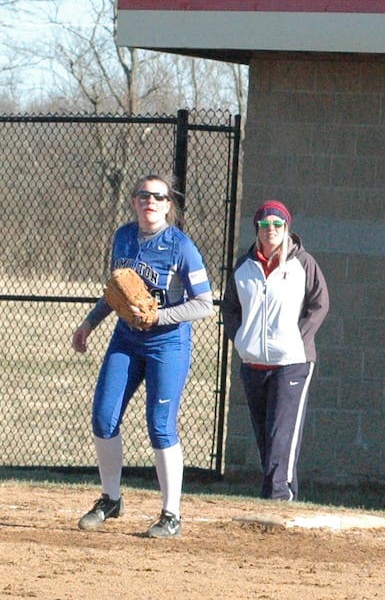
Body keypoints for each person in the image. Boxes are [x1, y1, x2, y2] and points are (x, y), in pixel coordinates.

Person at [72, 174, 213, 538]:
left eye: (159, 197)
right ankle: (111, 499)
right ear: (134, 202)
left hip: (168, 343)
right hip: (126, 339)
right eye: (143, 195)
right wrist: (90, 323)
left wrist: (159, 317)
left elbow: (203, 304)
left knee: (160, 424)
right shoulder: (122, 237)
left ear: (168, 205)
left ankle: (171, 515)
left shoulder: (181, 246)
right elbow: (118, 292)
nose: (150, 201)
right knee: (104, 417)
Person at [221, 200, 330, 501]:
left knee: (282, 433)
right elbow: (230, 308)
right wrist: (241, 338)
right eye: (265, 225)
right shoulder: (244, 267)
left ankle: (277, 496)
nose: (271, 230)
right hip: (253, 363)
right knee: (265, 436)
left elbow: (320, 304)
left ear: (287, 229)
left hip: (292, 362)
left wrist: (299, 339)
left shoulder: (303, 263)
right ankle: (285, 490)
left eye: (277, 225)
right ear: (257, 229)